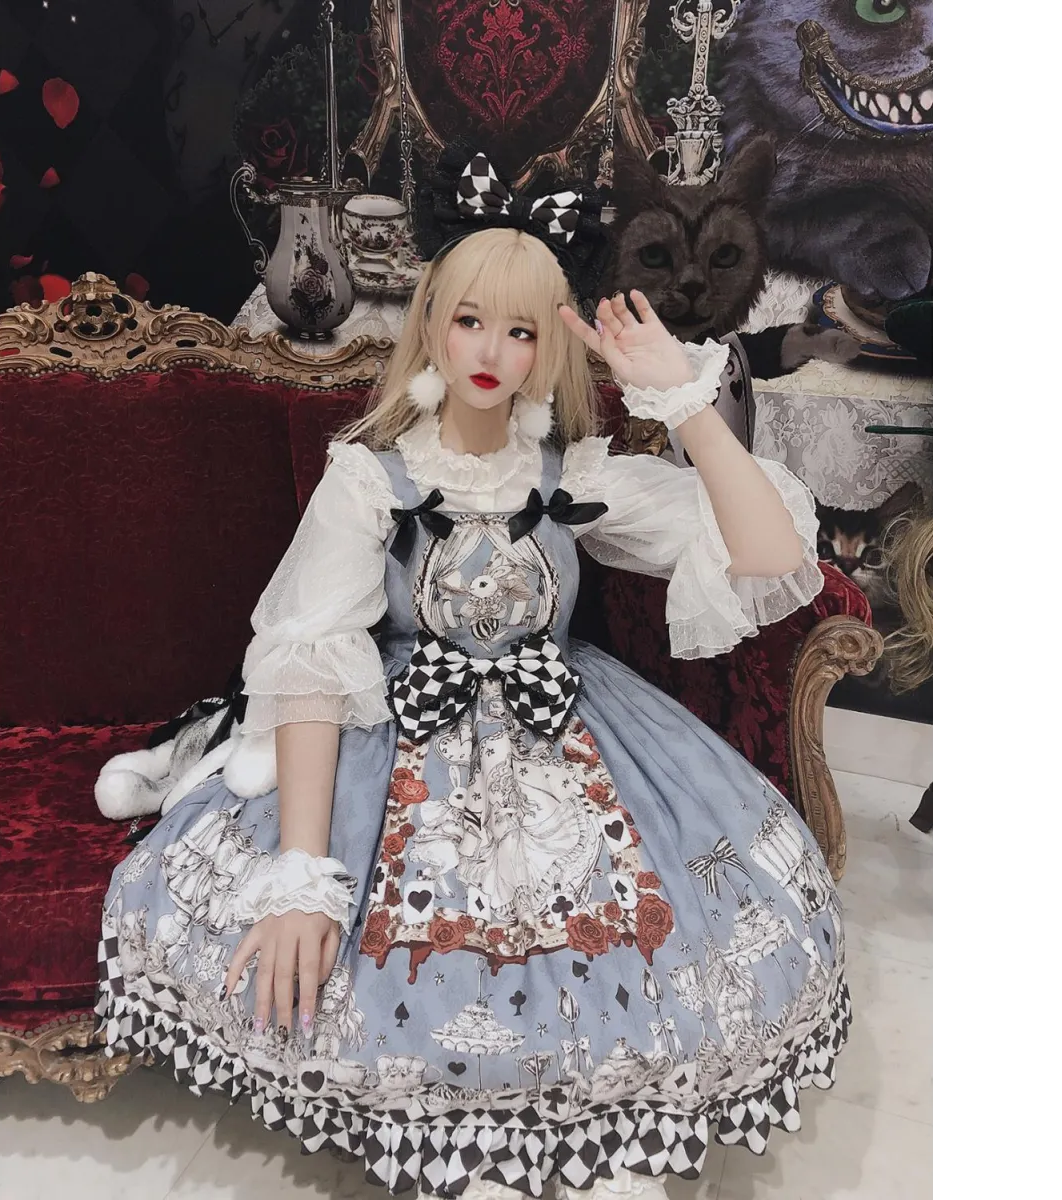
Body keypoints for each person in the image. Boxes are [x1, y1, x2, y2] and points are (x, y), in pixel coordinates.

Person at [97, 143, 849, 1199]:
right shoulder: (372, 477)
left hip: (573, 727)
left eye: (523, 330)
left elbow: (767, 557)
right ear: (432, 327)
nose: (492, 351)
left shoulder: (572, 473)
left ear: (548, 349)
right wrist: (304, 872)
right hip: (398, 732)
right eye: (469, 321)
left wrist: (684, 405)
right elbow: (311, 658)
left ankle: (588, 1137)